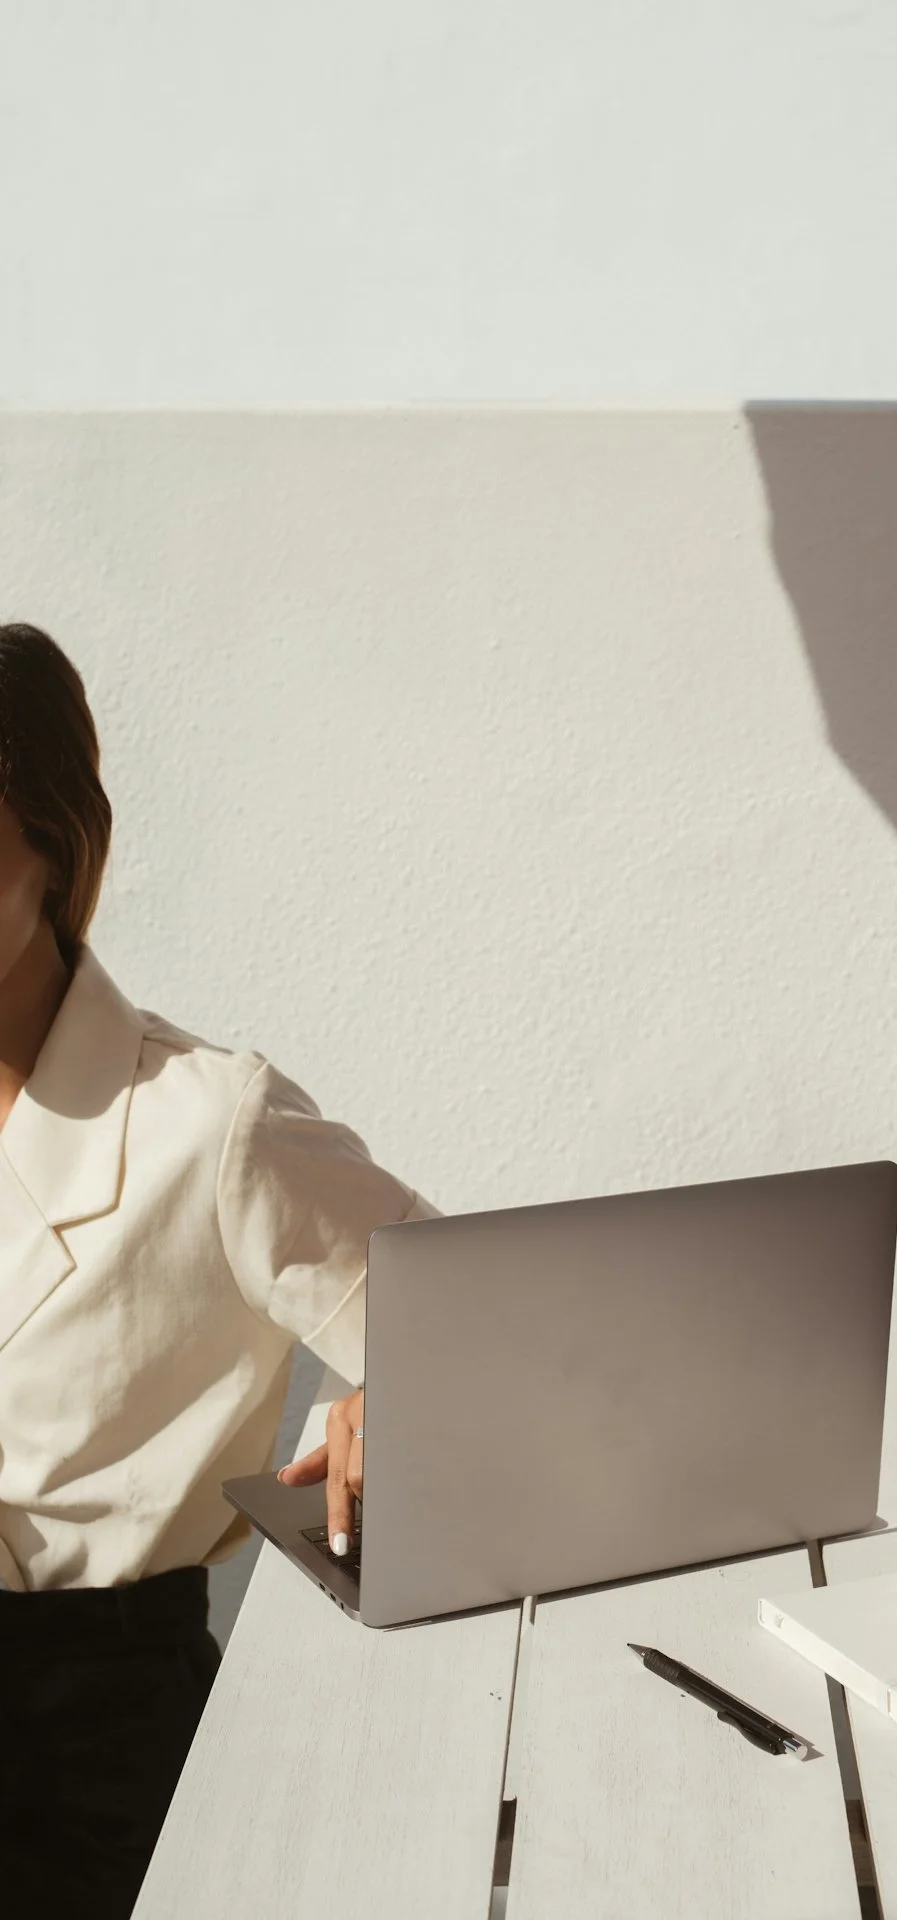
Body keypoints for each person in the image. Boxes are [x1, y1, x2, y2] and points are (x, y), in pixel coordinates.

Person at [0, 622, 438, 1917]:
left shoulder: (208, 1123)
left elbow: (486, 1332)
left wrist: (397, 1392)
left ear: (50, 841)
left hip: (92, 1759)